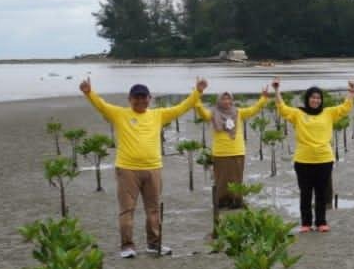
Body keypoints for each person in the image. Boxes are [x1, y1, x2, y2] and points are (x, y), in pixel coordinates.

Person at [81, 76, 207, 258]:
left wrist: (198, 92)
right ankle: (127, 246)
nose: (140, 101)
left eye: (143, 97)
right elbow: (101, 105)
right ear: (129, 99)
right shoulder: (120, 114)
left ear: (150, 98)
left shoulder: (158, 115)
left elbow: (182, 107)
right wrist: (88, 92)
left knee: (153, 209)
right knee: (127, 209)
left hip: (153, 169)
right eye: (136, 98)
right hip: (127, 169)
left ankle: (154, 244)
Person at [273, 78, 354, 232]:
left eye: (318, 98)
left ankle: (321, 222)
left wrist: (351, 91)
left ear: (321, 100)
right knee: (305, 192)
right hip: (303, 159)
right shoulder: (298, 113)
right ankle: (306, 223)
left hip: (324, 159)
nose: (315, 100)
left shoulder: (328, 113)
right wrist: (277, 90)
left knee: (321, 192)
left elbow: (345, 107)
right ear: (307, 99)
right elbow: (282, 108)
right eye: (313, 97)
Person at [195, 85, 272, 211]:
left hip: (237, 151)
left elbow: (254, 109)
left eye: (229, 99)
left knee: (236, 179)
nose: (226, 101)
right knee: (221, 181)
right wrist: (197, 96)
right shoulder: (213, 114)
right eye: (224, 99)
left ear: (232, 100)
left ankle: (236, 202)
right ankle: (222, 203)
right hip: (220, 153)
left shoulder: (238, 112)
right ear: (219, 101)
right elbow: (201, 112)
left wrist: (263, 98)